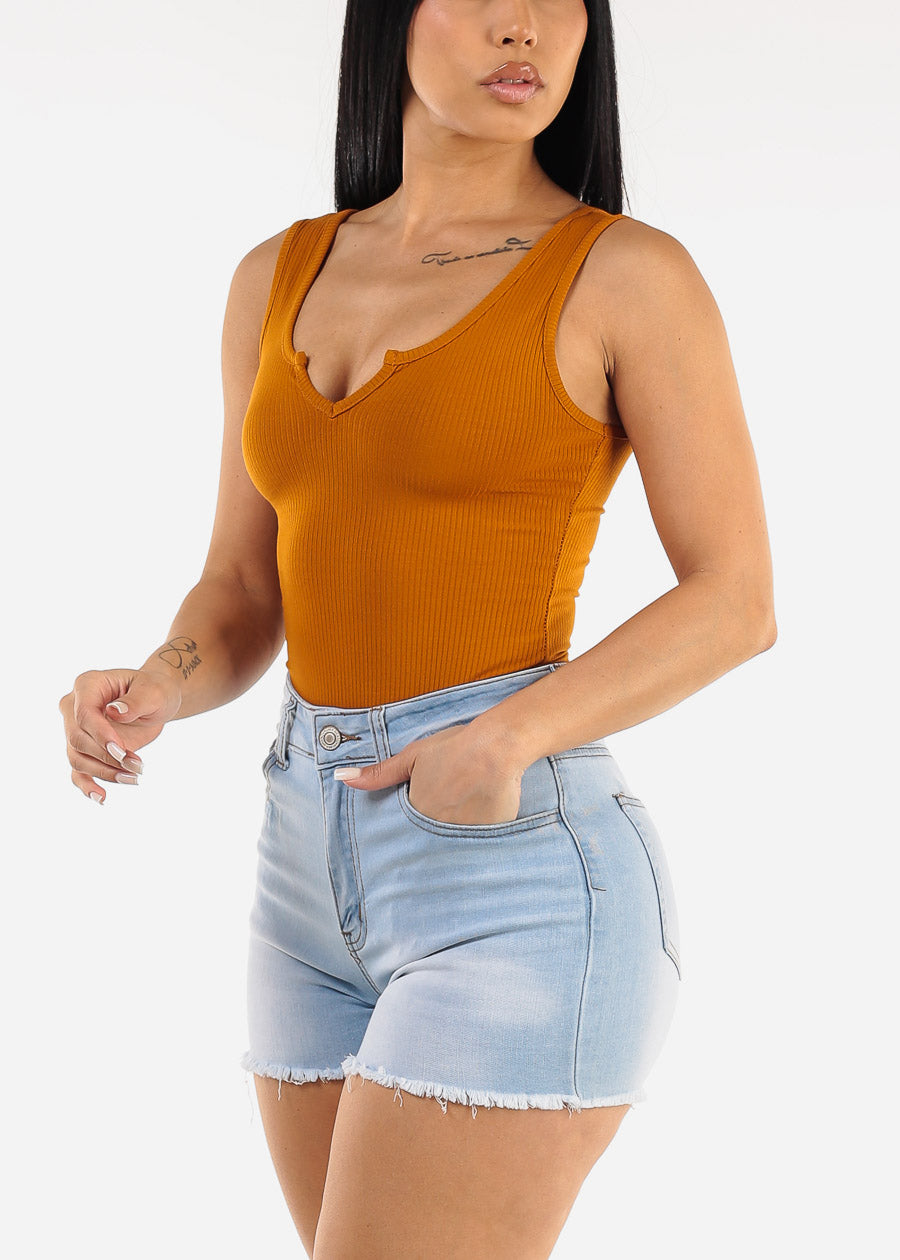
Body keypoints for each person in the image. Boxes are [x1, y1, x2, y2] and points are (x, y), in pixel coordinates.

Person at [58, 1, 776, 1256]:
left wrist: (503, 739)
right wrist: (161, 678)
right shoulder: (277, 274)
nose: (523, 26)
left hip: (513, 866)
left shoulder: (623, 275)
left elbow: (736, 598)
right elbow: (243, 586)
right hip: (301, 872)